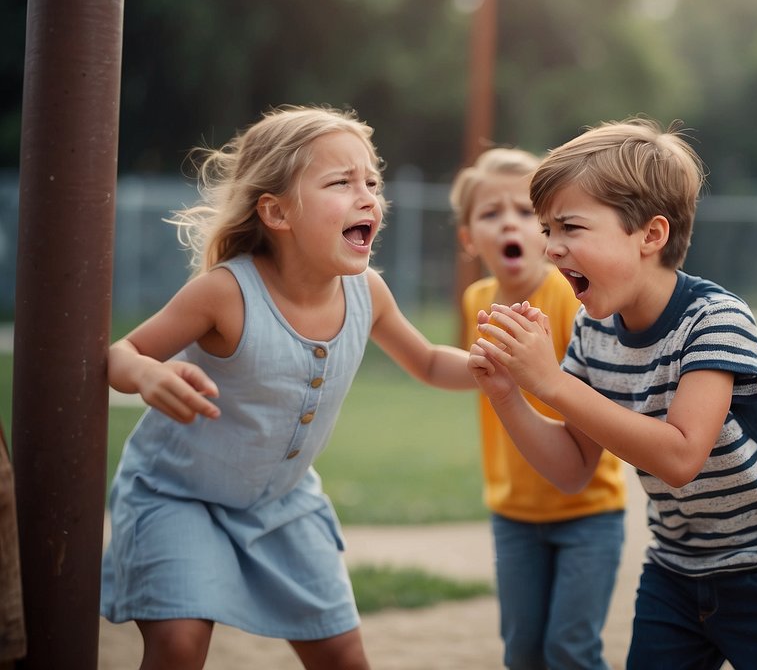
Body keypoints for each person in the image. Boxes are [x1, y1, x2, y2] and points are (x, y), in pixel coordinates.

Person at [101, 106, 478, 670]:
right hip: (178, 496)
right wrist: (148, 374)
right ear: (276, 212)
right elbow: (119, 355)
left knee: (343, 655)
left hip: (284, 504)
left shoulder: (367, 293)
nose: (368, 196)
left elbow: (426, 361)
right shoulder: (226, 293)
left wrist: (506, 366)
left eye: (371, 181)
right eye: (340, 182)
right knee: (179, 644)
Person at [467, 119, 757, 670]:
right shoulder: (594, 334)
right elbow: (572, 470)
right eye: (547, 230)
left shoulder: (716, 320)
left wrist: (550, 382)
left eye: (569, 226)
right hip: (675, 570)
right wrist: (508, 395)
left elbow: (681, 456)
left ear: (651, 235)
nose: (550, 248)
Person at [450, 147, 628, 670]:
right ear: (468, 238)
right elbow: (477, 377)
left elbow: (588, 404)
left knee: (570, 651)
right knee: (523, 652)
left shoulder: (573, 300)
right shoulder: (476, 300)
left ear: (548, 229)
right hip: (514, 513)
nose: (510, 223)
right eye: (490, 213)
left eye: (526, 212)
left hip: (588, 514)